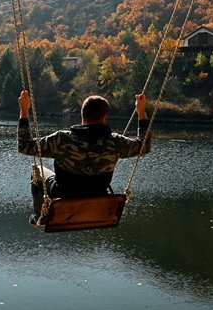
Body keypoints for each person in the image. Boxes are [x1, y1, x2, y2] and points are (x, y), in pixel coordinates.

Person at [17, 90, 151, 216]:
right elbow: (143, 146)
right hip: (97, 199)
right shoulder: (114, 142)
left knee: (38, 170)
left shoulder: (62, 139)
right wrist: (141, 112)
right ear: (104, 118)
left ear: (82, 115)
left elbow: (25, 146)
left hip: (64, 198)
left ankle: (41, 215)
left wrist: (24, 111)